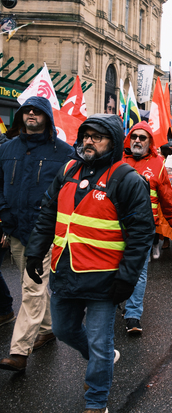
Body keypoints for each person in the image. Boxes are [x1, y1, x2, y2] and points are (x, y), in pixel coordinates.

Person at [22, 114, 154, 412]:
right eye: (86, 135)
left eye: (97, 136)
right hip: (65, 272)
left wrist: (127, 278)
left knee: (100, 342)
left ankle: (96, 401)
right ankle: (101, 358)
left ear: (114, 142)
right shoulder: (69, 168)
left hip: (104, 280)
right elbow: (48, 213)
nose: (89, 141)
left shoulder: (127, 179)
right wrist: (35, 251)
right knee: (63, 330)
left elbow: (141, 234)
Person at [0, 96, 72, 372]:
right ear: (20, 117)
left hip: (44, 233)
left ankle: (19, 351)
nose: (31, 113)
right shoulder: (7, 150)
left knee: (30, 288)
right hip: (15, 229)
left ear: (47, 117)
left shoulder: (64, 152)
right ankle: (48, 327)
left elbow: (70, 192)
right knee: (32, 285)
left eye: (37, 110)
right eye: (26, 110)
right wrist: (4, 215)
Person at [122, 122, 172, 334]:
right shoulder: (117, 160)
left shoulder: (159, 164)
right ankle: (115, 302)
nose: (137, 141)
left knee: (139, 272)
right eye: (134, 137)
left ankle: (133, 315)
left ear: (150, 142)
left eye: (143, 137)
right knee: (113, 268)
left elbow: (167, 198)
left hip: (143, 229)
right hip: (114, 227)